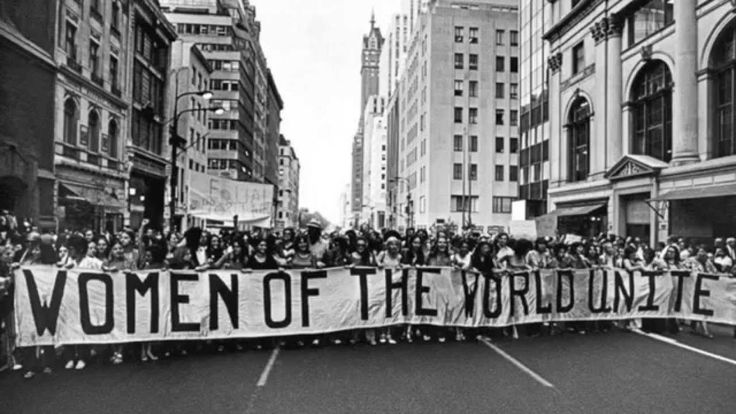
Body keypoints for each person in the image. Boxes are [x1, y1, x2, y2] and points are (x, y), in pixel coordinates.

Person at [59, 234, 101, 370]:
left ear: (80, 249)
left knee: (83, 328)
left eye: (71, 248)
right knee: (68, 328)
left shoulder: (92, 262)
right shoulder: (67, 262)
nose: (69, 251)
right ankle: (69, 357)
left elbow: (105, 271)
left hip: (86, 301)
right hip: (69, 301)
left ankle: (83, 356)